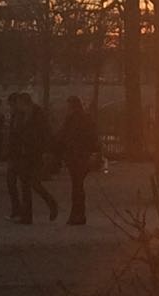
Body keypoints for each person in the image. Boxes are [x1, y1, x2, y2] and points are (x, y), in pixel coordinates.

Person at [10, 93, 57, 224]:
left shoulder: (37, 115)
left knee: (32, 183)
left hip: (34, 152)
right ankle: (28, 215)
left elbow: (45, 133)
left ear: (24, 102)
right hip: (26, 153)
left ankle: (49, 203)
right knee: (27, 184)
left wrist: (45, 150)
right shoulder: (24, 115)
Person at [55, 96, 100, 225]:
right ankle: (79, 214)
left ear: (71, 107)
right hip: (83, 155)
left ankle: (76, 214)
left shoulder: (70, 119)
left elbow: (63, 135)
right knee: (78, 185)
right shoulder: (87, 119)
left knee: (76, 186)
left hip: (74, 156)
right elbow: (93, 137)